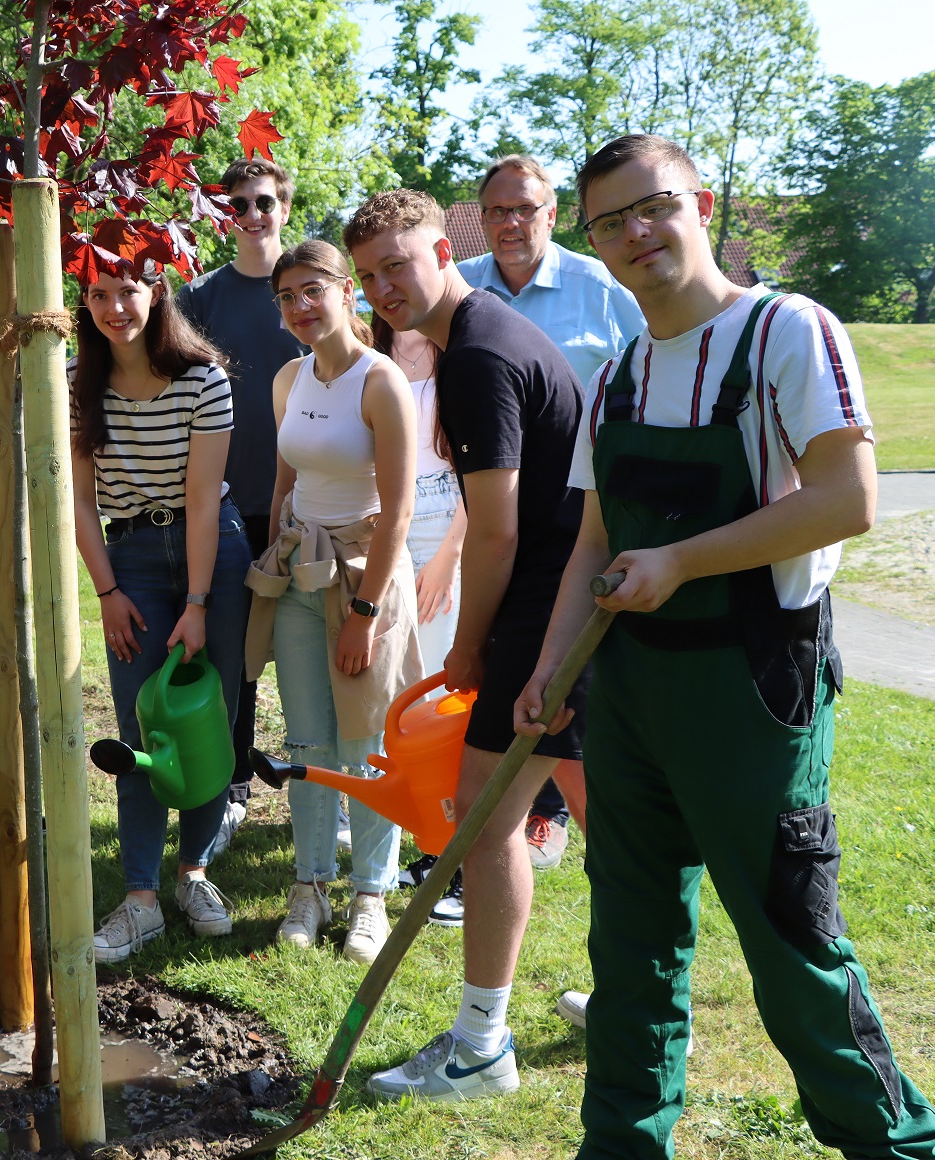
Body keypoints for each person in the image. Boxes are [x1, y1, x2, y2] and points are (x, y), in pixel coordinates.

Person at [513, 134, 935, 1158]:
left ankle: (898, 1147)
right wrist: (547, 666)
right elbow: (591, 545)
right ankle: (622, 1145)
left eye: (651, 206)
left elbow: (849, 499)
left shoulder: (785, 332)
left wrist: (682, 561)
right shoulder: (617, 372)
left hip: (752, 690)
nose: (635, 234)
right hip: (626, 700)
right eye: (610, 222)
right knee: (630, 945)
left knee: (794, 949)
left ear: (698, 204)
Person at [346, 190, 587, 1101]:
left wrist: (470, 649)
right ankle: (642, 1000)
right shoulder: (478, 337)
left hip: (545, 612)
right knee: (604, 811)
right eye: (368, 276)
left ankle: (482, 1046)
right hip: (575, 605)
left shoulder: (481, 355)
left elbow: (496, 531)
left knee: (483, 821)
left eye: (397, 266)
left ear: (444, 251)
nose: (383, 289)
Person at [458, 153, 644, 870]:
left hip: (581, 522)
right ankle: (524, 812)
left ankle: (562, 819)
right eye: (497, 211)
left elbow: (642, 377)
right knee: (516, 685)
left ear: (552, 214)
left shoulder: (598, 288)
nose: (510, 223)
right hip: (492, 518)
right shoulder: (467, 292)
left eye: (525, 209)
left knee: (568, 690)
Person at [244, 240, 422, 966]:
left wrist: (365, 613)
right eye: (286, 296)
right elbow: (286, 479)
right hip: (299, 572)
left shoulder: (381, 381)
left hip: (363, 574)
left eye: (312, 289)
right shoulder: (289, 379)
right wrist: (273, 551)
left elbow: (401, 510)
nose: (299, 307)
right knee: (309, 741)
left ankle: (370, 896)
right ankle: (309, 886)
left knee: (367, 742)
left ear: (347, 291)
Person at [68, 263, 251, 962]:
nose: (115, 307)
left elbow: (204, 501)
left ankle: (194, 873)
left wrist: (199, 602)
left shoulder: (203, 380)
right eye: (99, 295)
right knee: (140, 722)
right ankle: (139, 897)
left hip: (215, 553)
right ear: (84, 305)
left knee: (212, 715)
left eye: (128, 291)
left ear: (156, 294)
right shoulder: (79, 389)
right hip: (133, 560)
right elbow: (81, 504)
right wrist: (108, 592)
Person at [175, 157, 308, 852]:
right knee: (237, 658)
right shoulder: (197, 298)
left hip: (310, 505)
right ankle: (230, 791)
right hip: (227, 506)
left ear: (284, 207)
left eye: (264, 203)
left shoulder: (309, 289)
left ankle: (326, 791)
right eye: (238, 205)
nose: (252, 215)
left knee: (312, 652)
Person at [370, 319, 468, 919]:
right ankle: (411, 833)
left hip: (443, 547)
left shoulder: (456, 358)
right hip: (386, 544)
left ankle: (452, 859)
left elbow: (478, 475)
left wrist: (448, 557)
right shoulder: (371, 357)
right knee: (398, 694)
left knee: (443, 701)